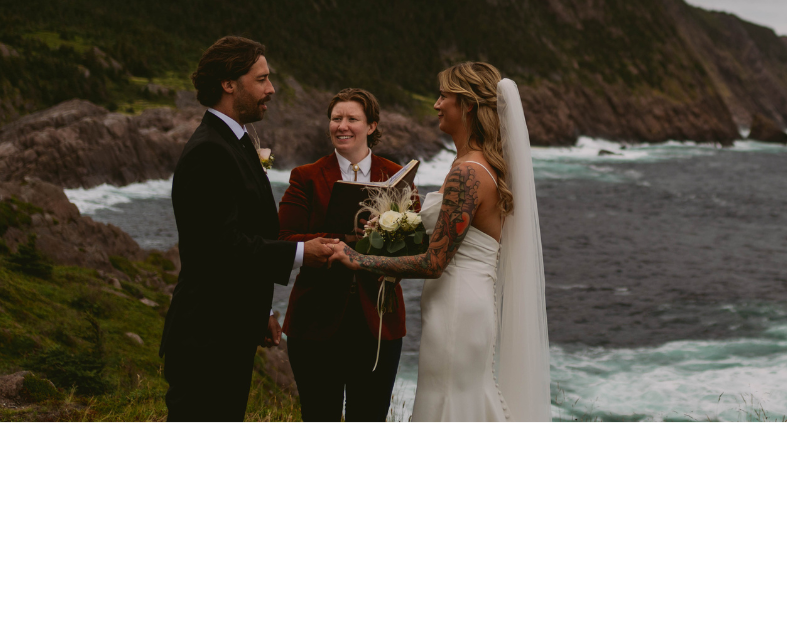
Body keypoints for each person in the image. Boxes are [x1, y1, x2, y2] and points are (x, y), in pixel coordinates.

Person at [341, 62, 551, 422]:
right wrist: (393, 230)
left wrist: (359, 259)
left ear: (467, 105)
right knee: (460, 398)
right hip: (467, 302)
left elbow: (434, 262)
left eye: (443, 96)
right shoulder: (475, 163)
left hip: (457, 306)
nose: (436, 104)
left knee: (449, 403)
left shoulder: (468, 172)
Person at [160, 36, 348, 423]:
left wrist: (261, 309)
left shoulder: (236, 141)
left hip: (229, 329)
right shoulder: (210, 151)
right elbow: (222, 247)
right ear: (229, 83)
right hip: (206, 338)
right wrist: (301, 254)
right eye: (261, 79)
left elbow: (245, 233)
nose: (271, 89)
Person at [277, 88, 413, 423]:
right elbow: (282, 238)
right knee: (319, 415)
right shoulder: (305, 176)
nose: (342, 125)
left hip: (377, 322)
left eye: (352, 118)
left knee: (369, 417)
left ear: (371, 126)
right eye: (336, 118)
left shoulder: (395, 175)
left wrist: (384, 235)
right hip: (315, 320)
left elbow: (412, 245)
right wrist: (342, 240)